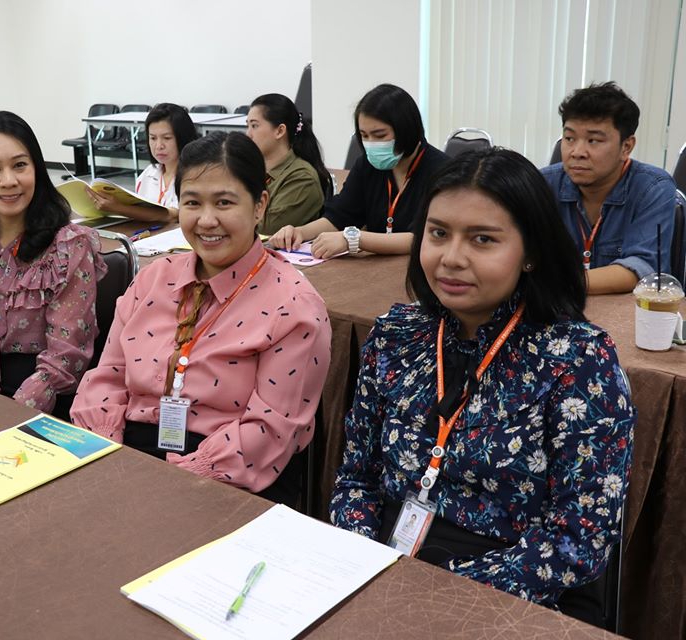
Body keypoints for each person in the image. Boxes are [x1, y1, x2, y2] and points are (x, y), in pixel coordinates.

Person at [331, 148, 635, 626]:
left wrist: (437, 595)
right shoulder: (395, 334)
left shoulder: (578, 361)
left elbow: (579, 538)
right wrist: (363, 563)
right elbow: (356, 480)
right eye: (438, 233)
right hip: (385, 563)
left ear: (531, 252)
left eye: (483, 239)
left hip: (516, 588)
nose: (451, 259)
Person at [71, 131, 331, 504]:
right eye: (192, 202)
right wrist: (109, 457)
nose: (207, 220)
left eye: (224, 202)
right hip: (127, 450)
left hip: (230, 475)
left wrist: (165, 484)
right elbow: (106, 379)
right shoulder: (153, 279)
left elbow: (269, 431)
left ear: (260, 205)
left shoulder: (293, 306)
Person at [0, 111, 107, 414]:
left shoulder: (69, 247)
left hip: (51, 396)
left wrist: (11, 416)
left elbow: (66, 357)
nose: (9, 181)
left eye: (20, 165)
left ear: (37, 169)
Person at [270, 84, 449, 259]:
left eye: (380, 135)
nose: (371, 143)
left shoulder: (442, 171)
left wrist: (355, 239)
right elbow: (339, 216)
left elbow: (423, 237)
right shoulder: (367, 164)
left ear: (406, 130)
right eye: (364, 135)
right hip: (379, 267)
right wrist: (299, 232)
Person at [542, 82, 676, 294]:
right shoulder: (544, 184)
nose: (577, 152)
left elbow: (642, 269)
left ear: (626, 147)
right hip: (559, 307)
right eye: (569, 138)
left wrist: (556, 283)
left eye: (593, 140)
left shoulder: (653, 188)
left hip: (626, 310)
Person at [85, 103, 197, 223]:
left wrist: (118, 208)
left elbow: (173, 216)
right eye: (153, 138)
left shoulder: (194, 175)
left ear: (183, 138)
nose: (159, 146)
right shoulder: (149, 173)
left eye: (167, 138)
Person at [246, 93, 331, 234]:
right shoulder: (251, 169)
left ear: (280, 131)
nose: (248, 134)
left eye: (254, 126)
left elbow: (267, 229)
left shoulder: (302, 178)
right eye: (248, 126)